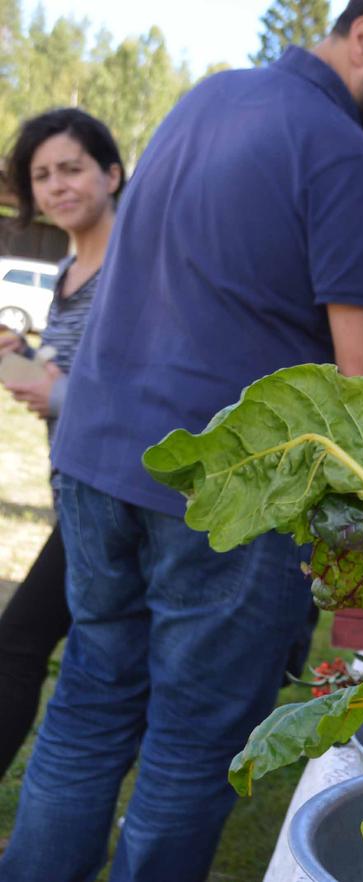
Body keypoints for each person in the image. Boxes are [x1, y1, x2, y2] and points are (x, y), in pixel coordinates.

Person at [0, 2, 363, 881]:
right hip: (228, 490)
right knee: (194, 744)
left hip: (99, 459)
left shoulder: (208, 98)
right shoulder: (347, 156)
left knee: (87, 707)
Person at [0, 108, 124, 780]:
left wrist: (63, 393)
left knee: (18, 642)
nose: (56, 186)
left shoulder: (134, 268)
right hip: (74, 489)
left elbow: (144, 382)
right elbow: (63, 381)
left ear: (111, 172)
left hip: (117, 500)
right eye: (42, 175)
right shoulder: (68, 270)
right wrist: (17, 360)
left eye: (71, 168)